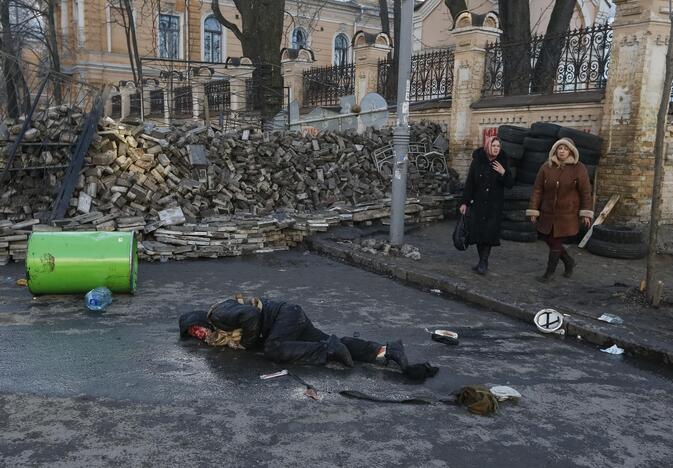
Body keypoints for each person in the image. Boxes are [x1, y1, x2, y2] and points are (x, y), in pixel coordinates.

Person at [178, 295, 438, 380]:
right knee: (317, 341)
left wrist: (246, 344)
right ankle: (384, 350)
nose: (197, 334)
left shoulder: (218, 313)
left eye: (194, 328)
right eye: (193, 336)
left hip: (283, 317)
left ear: (199, 319)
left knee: (274, 350)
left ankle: (328, 351)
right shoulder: (217, 332)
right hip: (290, 320)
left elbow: (250, 316)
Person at [525, 137, 593, 283]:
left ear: (571, 151)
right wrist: (533, 210)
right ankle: (569, 261)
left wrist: (586, 213)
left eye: (566, 149)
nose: (562, 151)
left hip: (567, 214)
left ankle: (548, 274)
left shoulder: (579, 168)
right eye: (560, 148)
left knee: (555, 242)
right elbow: (537, 190)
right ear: (555, 150)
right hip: (547, 213)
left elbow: (586, 192)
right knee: (548, 239)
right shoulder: (546, 167)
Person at [459, 136, 515, 274]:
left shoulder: (502, 162)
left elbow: (510, 184)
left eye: (498, 146)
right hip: (478, 204)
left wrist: (504, 173)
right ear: (487, 146)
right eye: (493, 145)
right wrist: (464, 202)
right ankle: (481, 261)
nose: (496, 148)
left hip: (494, 206)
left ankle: (484, 262)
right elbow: (470, 183)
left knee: (489, 234)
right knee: (478, 234)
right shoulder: (478, 161)